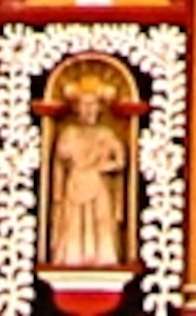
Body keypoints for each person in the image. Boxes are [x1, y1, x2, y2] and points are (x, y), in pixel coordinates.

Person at [47, 86, 129, 267]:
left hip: (97, 184)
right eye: (84, 105)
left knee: (100, 220)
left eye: (92, 105)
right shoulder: (69, 133)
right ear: (77, 109)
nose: (89, 110)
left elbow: (120, 160)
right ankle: (72, 256)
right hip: (75, 183)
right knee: (73, 220)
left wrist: (102, 167)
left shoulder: (106, 134)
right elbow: (62, 156)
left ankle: (102, 256)